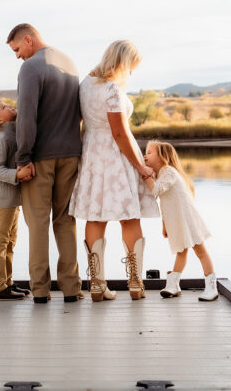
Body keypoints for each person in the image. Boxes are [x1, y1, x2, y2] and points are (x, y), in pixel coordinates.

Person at [69, 40, 158, 301]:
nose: (131, 73)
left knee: (95, 218)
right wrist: (140, 165)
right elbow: (119, 133)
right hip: (116, 157)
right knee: (129, 218)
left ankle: (96, 284)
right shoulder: (112, 90)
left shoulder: (86, 84)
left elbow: (80, 120)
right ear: (122, 62)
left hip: (92, 155)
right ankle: (135, 284)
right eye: (131, 67)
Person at [6, 23, 83, 304]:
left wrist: (23, 158)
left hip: (40, 158)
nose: (17, 56)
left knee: (38, 224)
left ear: (28, 39)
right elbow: (79, 112)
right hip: (71, 154)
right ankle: (72, 288)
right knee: (66, 221)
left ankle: (40, 290)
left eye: (17, 49)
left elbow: (25, 116)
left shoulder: (31, 68)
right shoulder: (69, 63)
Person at [143, 140, 218, 301]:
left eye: (149, 152)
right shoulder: (161, 174)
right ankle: (173, 285)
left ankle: (212, 287)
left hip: (188, 219)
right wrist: (165, 225)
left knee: (200, 251)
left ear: (162, 157)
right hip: (177, 221)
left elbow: (156, 191)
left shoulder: (168, 171)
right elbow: (164, 203)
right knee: (181, 251)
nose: (145, 155)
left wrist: (145, 174)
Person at [0, 99, 34, 300]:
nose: (9, 106)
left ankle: (7, 282)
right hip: (2, 198)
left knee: (10, 242)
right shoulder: (2, 139)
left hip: (12, 198)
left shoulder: (13, 133)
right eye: (3, 107)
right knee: (0, 242)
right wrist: (17, 175)